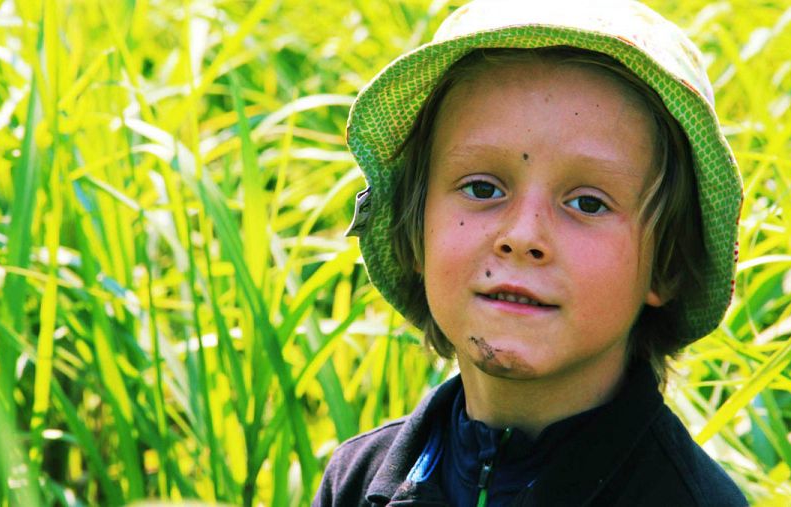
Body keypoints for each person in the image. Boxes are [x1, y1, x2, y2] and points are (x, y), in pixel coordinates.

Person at [315, 0, 746, 505]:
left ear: (666, 265)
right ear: (417, 232)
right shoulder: (358, 479)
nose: (522, 236)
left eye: (588, 203)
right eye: (482, 189)